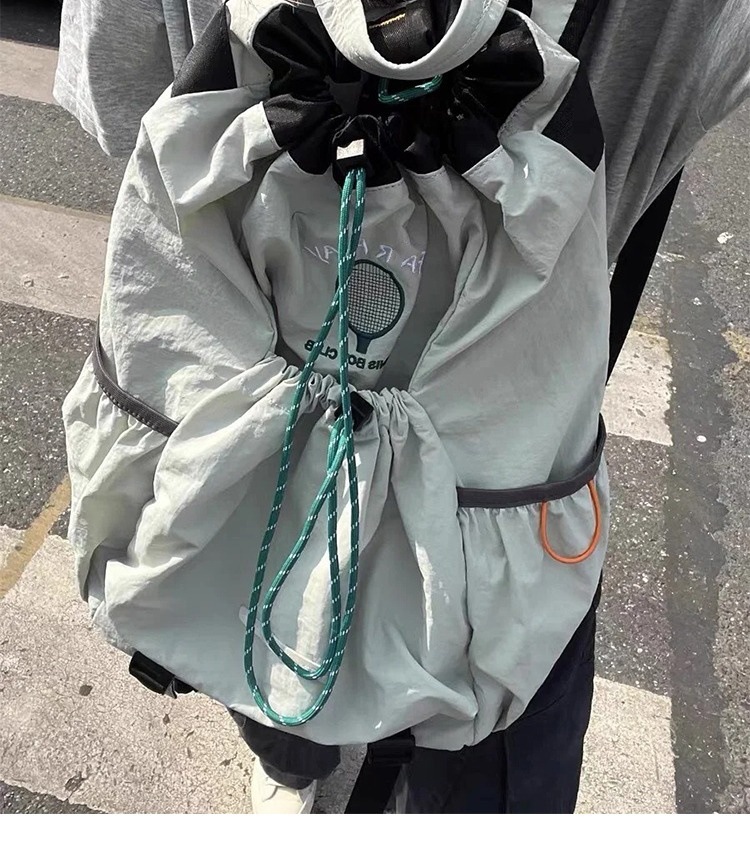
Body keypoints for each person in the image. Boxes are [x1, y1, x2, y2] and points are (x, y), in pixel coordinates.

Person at [55, 0, 750, 813]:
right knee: (478, 696)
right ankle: (295, 735)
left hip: (266, 379)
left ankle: (289, 738)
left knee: (250, 579)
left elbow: (131, 110)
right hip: (511, 452)